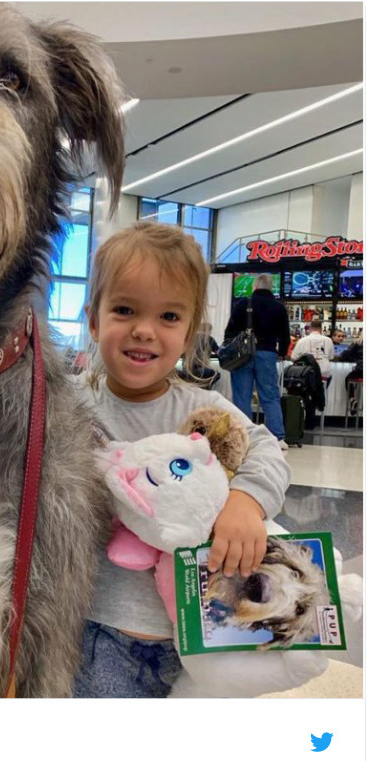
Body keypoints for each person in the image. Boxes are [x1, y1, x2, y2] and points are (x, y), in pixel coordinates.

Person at [73, 220, 290, 698]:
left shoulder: (200, 411)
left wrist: (245, 502)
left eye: (169, 317)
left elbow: (268, 449)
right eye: (125, 309)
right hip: (96, 630)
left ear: (191, 330)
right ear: (94, 319)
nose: (145, 331)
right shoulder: (66, 405)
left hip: (198, 639)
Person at [224, 273, 290, 448]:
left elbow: (230, 331)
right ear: (270, 287)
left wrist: (228, 349)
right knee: (270, 396)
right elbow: (285, 334)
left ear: (254, 287)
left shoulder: (243, 304)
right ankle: (278, 436)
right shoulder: (278, 307)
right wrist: (282, 352)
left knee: (242, 397)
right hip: (267, 353)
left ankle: (245, 435)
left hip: (243, 355)